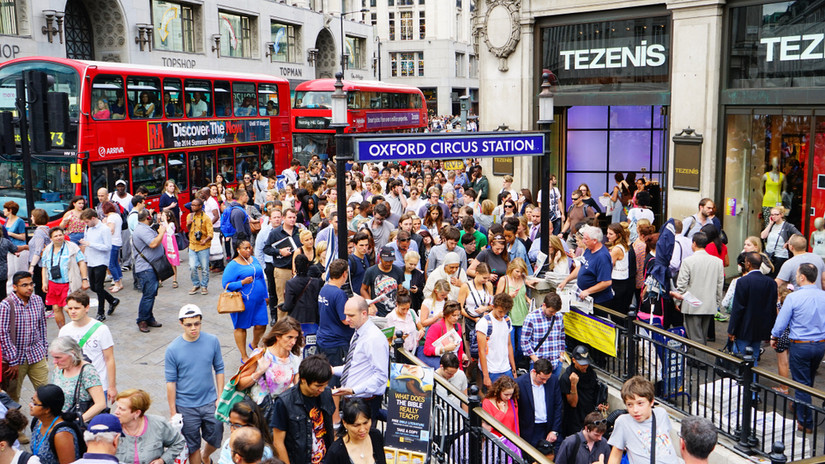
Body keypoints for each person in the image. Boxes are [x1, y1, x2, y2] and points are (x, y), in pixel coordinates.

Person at [165, 304, 225, 464]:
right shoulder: (173, 349)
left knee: (216, 436)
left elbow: (219, 369)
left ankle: (206, 456)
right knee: (192, 447)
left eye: (197, 324)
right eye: (189, 325)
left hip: (210, 401)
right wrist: (173, 412)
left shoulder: (212, 341)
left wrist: (220, 397)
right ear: (181, 324)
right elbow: (170, 383)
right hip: (185, 406)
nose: (193, 328)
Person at [770, 263, 825, 433]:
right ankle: (800, 405)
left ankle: (805, 422)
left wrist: (774, 337)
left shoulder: (794, 298)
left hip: (801, 345)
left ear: (802, 277)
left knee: (801, 383)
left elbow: (781, 323)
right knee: (807, 379)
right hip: (820, 344)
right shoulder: (823, 296)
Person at [332, 296, 390, 423]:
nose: (347, 320)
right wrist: (332, 370)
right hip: (353, 399)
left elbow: (381, 376)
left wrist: (353, 390)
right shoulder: (358, 332)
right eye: (346, 315)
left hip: (364, 401)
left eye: (351, 315)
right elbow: (355, 366)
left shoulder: (374, 338)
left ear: (364, 314)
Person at [271, 355, 335, 464]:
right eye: (318, 385)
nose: (322, 389)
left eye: (325, 385)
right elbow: (278, 442)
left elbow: (331, 428)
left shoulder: (326, 394)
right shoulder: (284, 402)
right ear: (303, 380)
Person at [58, 291, 117, 403]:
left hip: (98, 385)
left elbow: (109, 359)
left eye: (77, 308)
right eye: (70, 309)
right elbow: (60, 360)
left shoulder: (101, 329)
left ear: (87, 308)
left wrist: (112, 386)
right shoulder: (64, 331)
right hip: (73, 386)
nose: (73, 312)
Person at [0, 271, 49, 402]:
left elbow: (42, 327)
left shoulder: (37, 300)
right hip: (15, 360)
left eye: (31, 284)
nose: (29, 288)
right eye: (24, 285)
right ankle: (14, 422)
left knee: (45, 394)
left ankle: (46, 421)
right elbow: (3, 334)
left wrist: (45, 350)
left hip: (37, 354)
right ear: (15, 287)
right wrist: (13, 360)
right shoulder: (6, 305)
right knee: (12, 397)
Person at [236, 317, 304, 411]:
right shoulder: (260, 355)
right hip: (259, 412)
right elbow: (240, 385)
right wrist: (260, 372)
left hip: (282, 412)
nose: (293, 342)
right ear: (278, 336)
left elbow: (298, 387)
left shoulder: (295, 360)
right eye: (289, 337)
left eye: (296, 338)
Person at [607, 376, 679, 464]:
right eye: (630, 405)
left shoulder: (661, 414)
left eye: (640, 403)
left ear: (651, 401)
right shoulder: (623, 422)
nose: (635, 410)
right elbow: (615, 455)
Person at [670, 232, 724, 346]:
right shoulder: (717, 262)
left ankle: (702, 361)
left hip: (692, 303)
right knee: (702, 335)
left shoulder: (688, 261)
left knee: (695, 336)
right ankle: (697, 360)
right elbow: (720, 285)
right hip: (709, 303)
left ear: (694, 243)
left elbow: (682, 284)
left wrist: (677, 301)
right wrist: (717, 302)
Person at [727, 252, 777, 364]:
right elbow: (771, 309)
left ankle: (740, 381)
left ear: (748, 264)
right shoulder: (771, 283)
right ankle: (752, 379)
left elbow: (738, 308)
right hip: (760, 328)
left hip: (743, 327)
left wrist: (732, 329)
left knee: (740, 357)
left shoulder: (742, 282)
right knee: (754, 357)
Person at [222, 241, 268, 361]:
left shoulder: (253, 259)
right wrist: (242, 283)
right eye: (245, 248)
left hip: (259, 301)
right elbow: (226, 285)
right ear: (238, 250)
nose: (249, 250)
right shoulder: (233, 265)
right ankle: (244, 355)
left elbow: (261, 277)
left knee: (262, 324)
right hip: (242, 302)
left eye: (250, 247)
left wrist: (266, 294)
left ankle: (254, 344)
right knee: (241, 327)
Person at [113, 389, 186, 464]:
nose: (116, 412)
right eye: (117, 407)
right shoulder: (111, 428)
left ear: (137, 413)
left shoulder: (159, 424)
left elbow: (178, 442)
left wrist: (163, 460)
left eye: (121, 409)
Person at [48, 336, 107, 422]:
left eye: (58, 357)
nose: (54, 362)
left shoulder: (87, 371)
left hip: (77, 423)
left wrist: (77, 421)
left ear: (73, 354)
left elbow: (100, 404)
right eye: (53, 357)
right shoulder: (59, 369)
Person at [42, 227, 90, 328]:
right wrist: (44, 282)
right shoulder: (47, 250)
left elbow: (82, 262)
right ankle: (62, 331)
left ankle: (81, 327)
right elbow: (44, 267)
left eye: (60, 235)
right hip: (53, 283)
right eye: (56, 236)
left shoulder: (72, 247)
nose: (59, 237)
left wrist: (84, 279)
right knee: (56, 309)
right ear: (51, 238)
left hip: (68, 283)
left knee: (69, 308)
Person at [559, 225, 614, 306]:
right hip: (584, 297)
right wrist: (566, 280)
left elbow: (606, 282)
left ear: (595, 240)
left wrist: (588, 291)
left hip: (598, 300)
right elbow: (581, 266)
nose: (583, 241)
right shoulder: (589, 249)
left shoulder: (602, 257)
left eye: (586, 239)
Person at [79, 209, 119, 321]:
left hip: (101, 261)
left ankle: (101, 312)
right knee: (94, 287)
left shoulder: (104, 229)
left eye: (87, 221)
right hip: (91, 260)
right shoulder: (88, 228)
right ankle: (112, 300)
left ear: (93, 218)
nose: (85, 224)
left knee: (99, 287)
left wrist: (90, 244)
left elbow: (107, 247)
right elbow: (87, 242)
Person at [515, 358, 563, 450]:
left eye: (547, 379)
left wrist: (554, 430)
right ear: (534, 372)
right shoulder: (519, 383)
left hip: (548, 427)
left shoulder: (553, 380)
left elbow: (558, 406)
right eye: (542, 379)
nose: (545, 382)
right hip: (530, 430)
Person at [29, 384, 84, 464]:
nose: (30, 405)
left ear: (47, 409)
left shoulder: (62, 434)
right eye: (32, 400)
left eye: (35, 403)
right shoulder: (38, 421)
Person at [264, 208, 301, 321]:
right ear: (284, 218)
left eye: (294, 217)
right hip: (282, 269)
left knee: (298, 299)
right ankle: (282, 326)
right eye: (290, 217)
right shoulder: (275, 233)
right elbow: (266, 249)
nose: (292, 220)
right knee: (282, 300)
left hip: (297, 270)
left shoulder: (299, 231)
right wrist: (279, 251)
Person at [323, 398, 387, 464]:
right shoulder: (336, 452)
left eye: (365, 423)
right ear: (345, 424)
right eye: (356, 425)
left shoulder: (375, 436)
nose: (362, 429)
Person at [132, 210, 166, 333]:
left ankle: (149, 317)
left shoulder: (144, 228)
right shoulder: (142, 230)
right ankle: (142, 320)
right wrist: (161, 233)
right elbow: (153, 243)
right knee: (148, 295)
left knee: (151, 294)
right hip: (146, 268)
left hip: (151, 267)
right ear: (148, 217)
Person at [560, 345, 604, 437]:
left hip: (590, 416)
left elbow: (593, 393)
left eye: (586, 363)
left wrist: (600, 405)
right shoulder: (566, 378)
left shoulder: (591, 374)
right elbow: (573, 403)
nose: (585, 366)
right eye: (582, 364)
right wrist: (573, 385)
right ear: (574, 360)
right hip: (574, 420)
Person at [317, 259, 355, 367]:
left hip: (323, 338)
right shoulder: (339, 294)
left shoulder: (324, 289)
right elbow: (345, 320)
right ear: (344, 274)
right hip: (336, 343)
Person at [476, 293, 517, 390]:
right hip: (491, 369)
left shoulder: (507, 320)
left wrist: (513, 369)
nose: (502, 315)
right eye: (500, 311)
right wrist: (486, 376)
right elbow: (481, 351)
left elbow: (509, 345)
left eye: (505, 312)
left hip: (506, 368)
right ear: (493, 307)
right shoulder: (484, 323)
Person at [521, 293, 565, 376]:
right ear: (544, 305)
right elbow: (524, 342)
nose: (554, 314)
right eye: (551, 311)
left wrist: (561, 357)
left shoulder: (559, 317)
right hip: (538, 365)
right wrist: (536, 361)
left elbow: (562, 337)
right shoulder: (531, 318)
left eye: (555, 312)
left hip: (555, 363)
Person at [496, 258, 531, 364]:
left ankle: (517, 364)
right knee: (510, 346)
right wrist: (508, 296)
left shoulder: (523, 279)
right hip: (509, 316)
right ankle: (511, 366)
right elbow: (496, 298)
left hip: (522, 315)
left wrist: (529, 301)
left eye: (521, 272)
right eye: (517, 271)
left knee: (521, 347)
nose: (519, 274)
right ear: (511, 269)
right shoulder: (504, 280)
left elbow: (523, 294)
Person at [217, 400, 274, 464]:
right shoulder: (228, 443)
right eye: (231, 424)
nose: (232, 429)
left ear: (252, 426)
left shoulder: (265, 452)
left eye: (237, 425)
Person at [360, 246, 404, 318]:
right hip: (378, 312)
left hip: (394, 312)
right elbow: (363, 289)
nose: (388, 263)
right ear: (380, 258)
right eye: (386, 260)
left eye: (391, 260)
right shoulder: (371, 271)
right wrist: (371, 304)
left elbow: (400, 290)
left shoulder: (398, 271)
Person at [422, 301, 464, 368]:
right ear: (446, 314)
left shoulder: (458, 326)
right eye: (453, 315)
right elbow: (427, 350)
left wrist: (463, 355)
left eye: (458, 315)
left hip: (456, 365)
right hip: (442, 367)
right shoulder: (435, 327)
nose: (456, 318)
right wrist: (444, 349)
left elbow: (459, 347)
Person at [282, 254, 322, 324]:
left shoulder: (290, 283)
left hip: (296, 319)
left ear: (295, 266)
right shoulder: (316, 282)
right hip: (313, 319)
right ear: (307, 265)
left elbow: (288, 306)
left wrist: (282, 307)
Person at [761, 206, 800, 275]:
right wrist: (770, 224)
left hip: (780, 256)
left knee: (775, 276)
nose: (774, 216)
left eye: (776, 214)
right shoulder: (772, 225)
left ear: (781, 215)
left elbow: (799, 235)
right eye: (772, 215)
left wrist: (789, 242)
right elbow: (763, 236)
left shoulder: (788, 226)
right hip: (768, 255)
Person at [187, 198, 214, 295]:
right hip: (192, 245)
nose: (192, 207)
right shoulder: (190, 216)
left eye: (194, 205)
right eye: (192, 205)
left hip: (203, 247)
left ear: (200, 206)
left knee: (204, 268)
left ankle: (204, 286)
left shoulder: (206, 218)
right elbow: (188, 230)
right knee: (192, 267)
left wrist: (205, 240)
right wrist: (188, 224)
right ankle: (196, 284)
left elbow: (211, 234)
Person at [385, 288, 423, 353]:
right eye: (403, 309)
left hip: (414, 350)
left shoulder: (412, 312)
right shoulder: (390, 317)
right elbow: (386, 339)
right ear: (397, 304)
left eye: (407, 309)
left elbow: (420, 327)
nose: (405, 311)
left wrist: (421, 331)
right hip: (398, 352)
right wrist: (398, 338)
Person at [101, 202, 124, 294]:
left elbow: (111, 229)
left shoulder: (110, 217)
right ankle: (120, 282)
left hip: (112, 242)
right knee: (115, 263)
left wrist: (104, 224)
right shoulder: (117, 216)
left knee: (111, 264)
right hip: (118, 241)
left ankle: (117, 283)